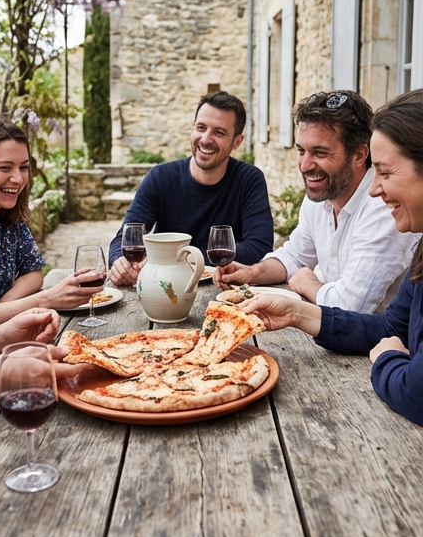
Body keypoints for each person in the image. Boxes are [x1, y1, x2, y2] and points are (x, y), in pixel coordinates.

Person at [241, 89, 423, 426]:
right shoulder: (421, 247)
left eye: (384, 172)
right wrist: (294, 310)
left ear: (359, 155)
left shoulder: (388, 215)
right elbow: (389, 326)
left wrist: (387, 359)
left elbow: (415, 391)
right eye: (301, 151)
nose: (374, 188)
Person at [216, 91, 417, 313]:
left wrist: (308, 284)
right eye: (301, 151)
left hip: (374, 343)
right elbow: (295, 255)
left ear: (359, 155)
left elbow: (351, 307)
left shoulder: (385, 205)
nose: (305, 165)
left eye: (320, 153)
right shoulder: (322, 193)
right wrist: (252, 273)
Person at [107, 91, 274, 286]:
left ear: (237, 142)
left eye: (219, 132)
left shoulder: (249, 180)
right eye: (201, 128)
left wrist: (190, 258)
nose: (205, 139)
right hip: (167, 288)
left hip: (223, 290)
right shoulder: (160, 177)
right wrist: (120, 262)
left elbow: (259, 247)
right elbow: (126, 238)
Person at [0, 116, 106, 328]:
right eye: (5, 168)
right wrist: (45, 299)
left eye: (23, 167)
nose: (18, 178)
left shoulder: (9, 221)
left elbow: (33, 273)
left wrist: (5, 305)